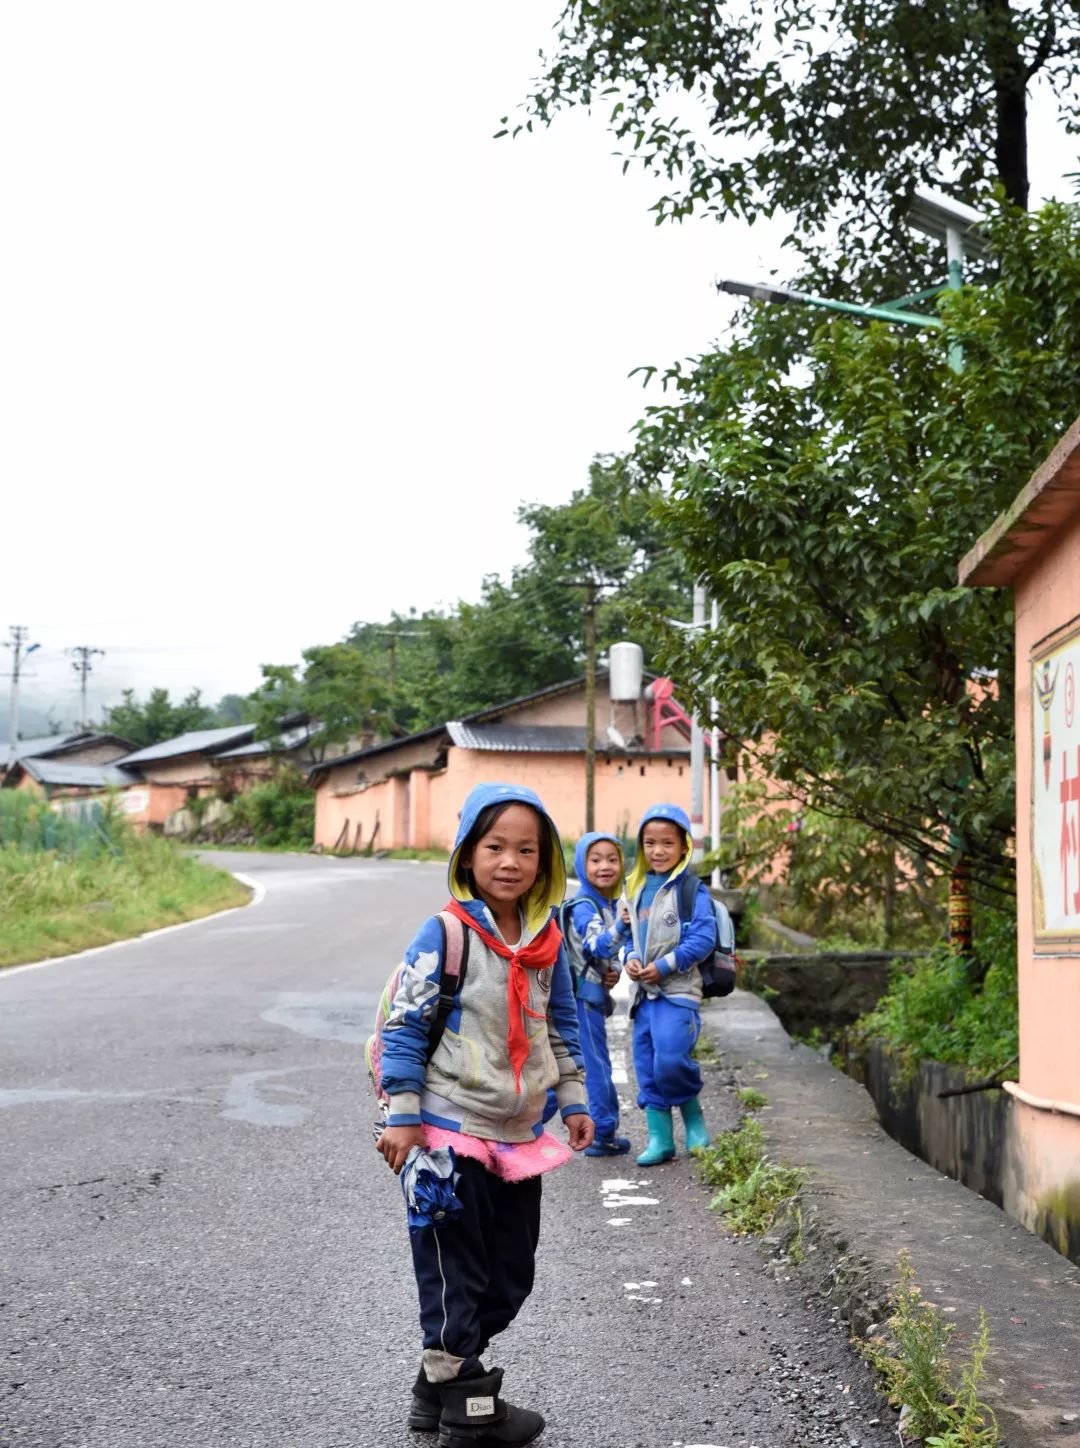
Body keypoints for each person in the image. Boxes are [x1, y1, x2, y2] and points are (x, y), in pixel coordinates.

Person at [376, 782, 593, 1447]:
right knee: (454, 1271)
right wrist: (403, 1116)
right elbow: (406, 1027)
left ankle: (432, 1387)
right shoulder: (443, 933)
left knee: (510, 1273)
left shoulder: (547, 938)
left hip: (516, 1133)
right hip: (445, 1131)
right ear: (468, 854)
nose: (510, 861)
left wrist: (576, 1097)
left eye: (527, 849)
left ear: (545, 861)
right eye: (494, 846)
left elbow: (561, 1023)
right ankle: (470, 1410)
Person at [622, 802, 716, 1168]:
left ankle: (693, 1118)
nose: (657, 851)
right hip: (643, 996)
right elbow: (630, 937)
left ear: (683, 848)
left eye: (666, 843)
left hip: (678, 992)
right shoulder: (636, 887)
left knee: (672, 1059)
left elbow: (704, 937)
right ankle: (660, 1139)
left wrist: (665, 966)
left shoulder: (692, 890)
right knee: (646, 1065)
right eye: (649, 843)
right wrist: (629, 958)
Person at [562, 831, 632, 1156]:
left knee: (563, 1066)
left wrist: (614, 967)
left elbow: (603, 953)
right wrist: (622, 927)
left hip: (585, 995)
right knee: (596, 1064)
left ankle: (520, 1128)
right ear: (581, 864)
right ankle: (603, 1132)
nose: (605, 866)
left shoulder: (605, 903)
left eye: (612, 859)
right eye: (595, 859)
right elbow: (595, 943)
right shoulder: (584, 906)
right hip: (581, 999)